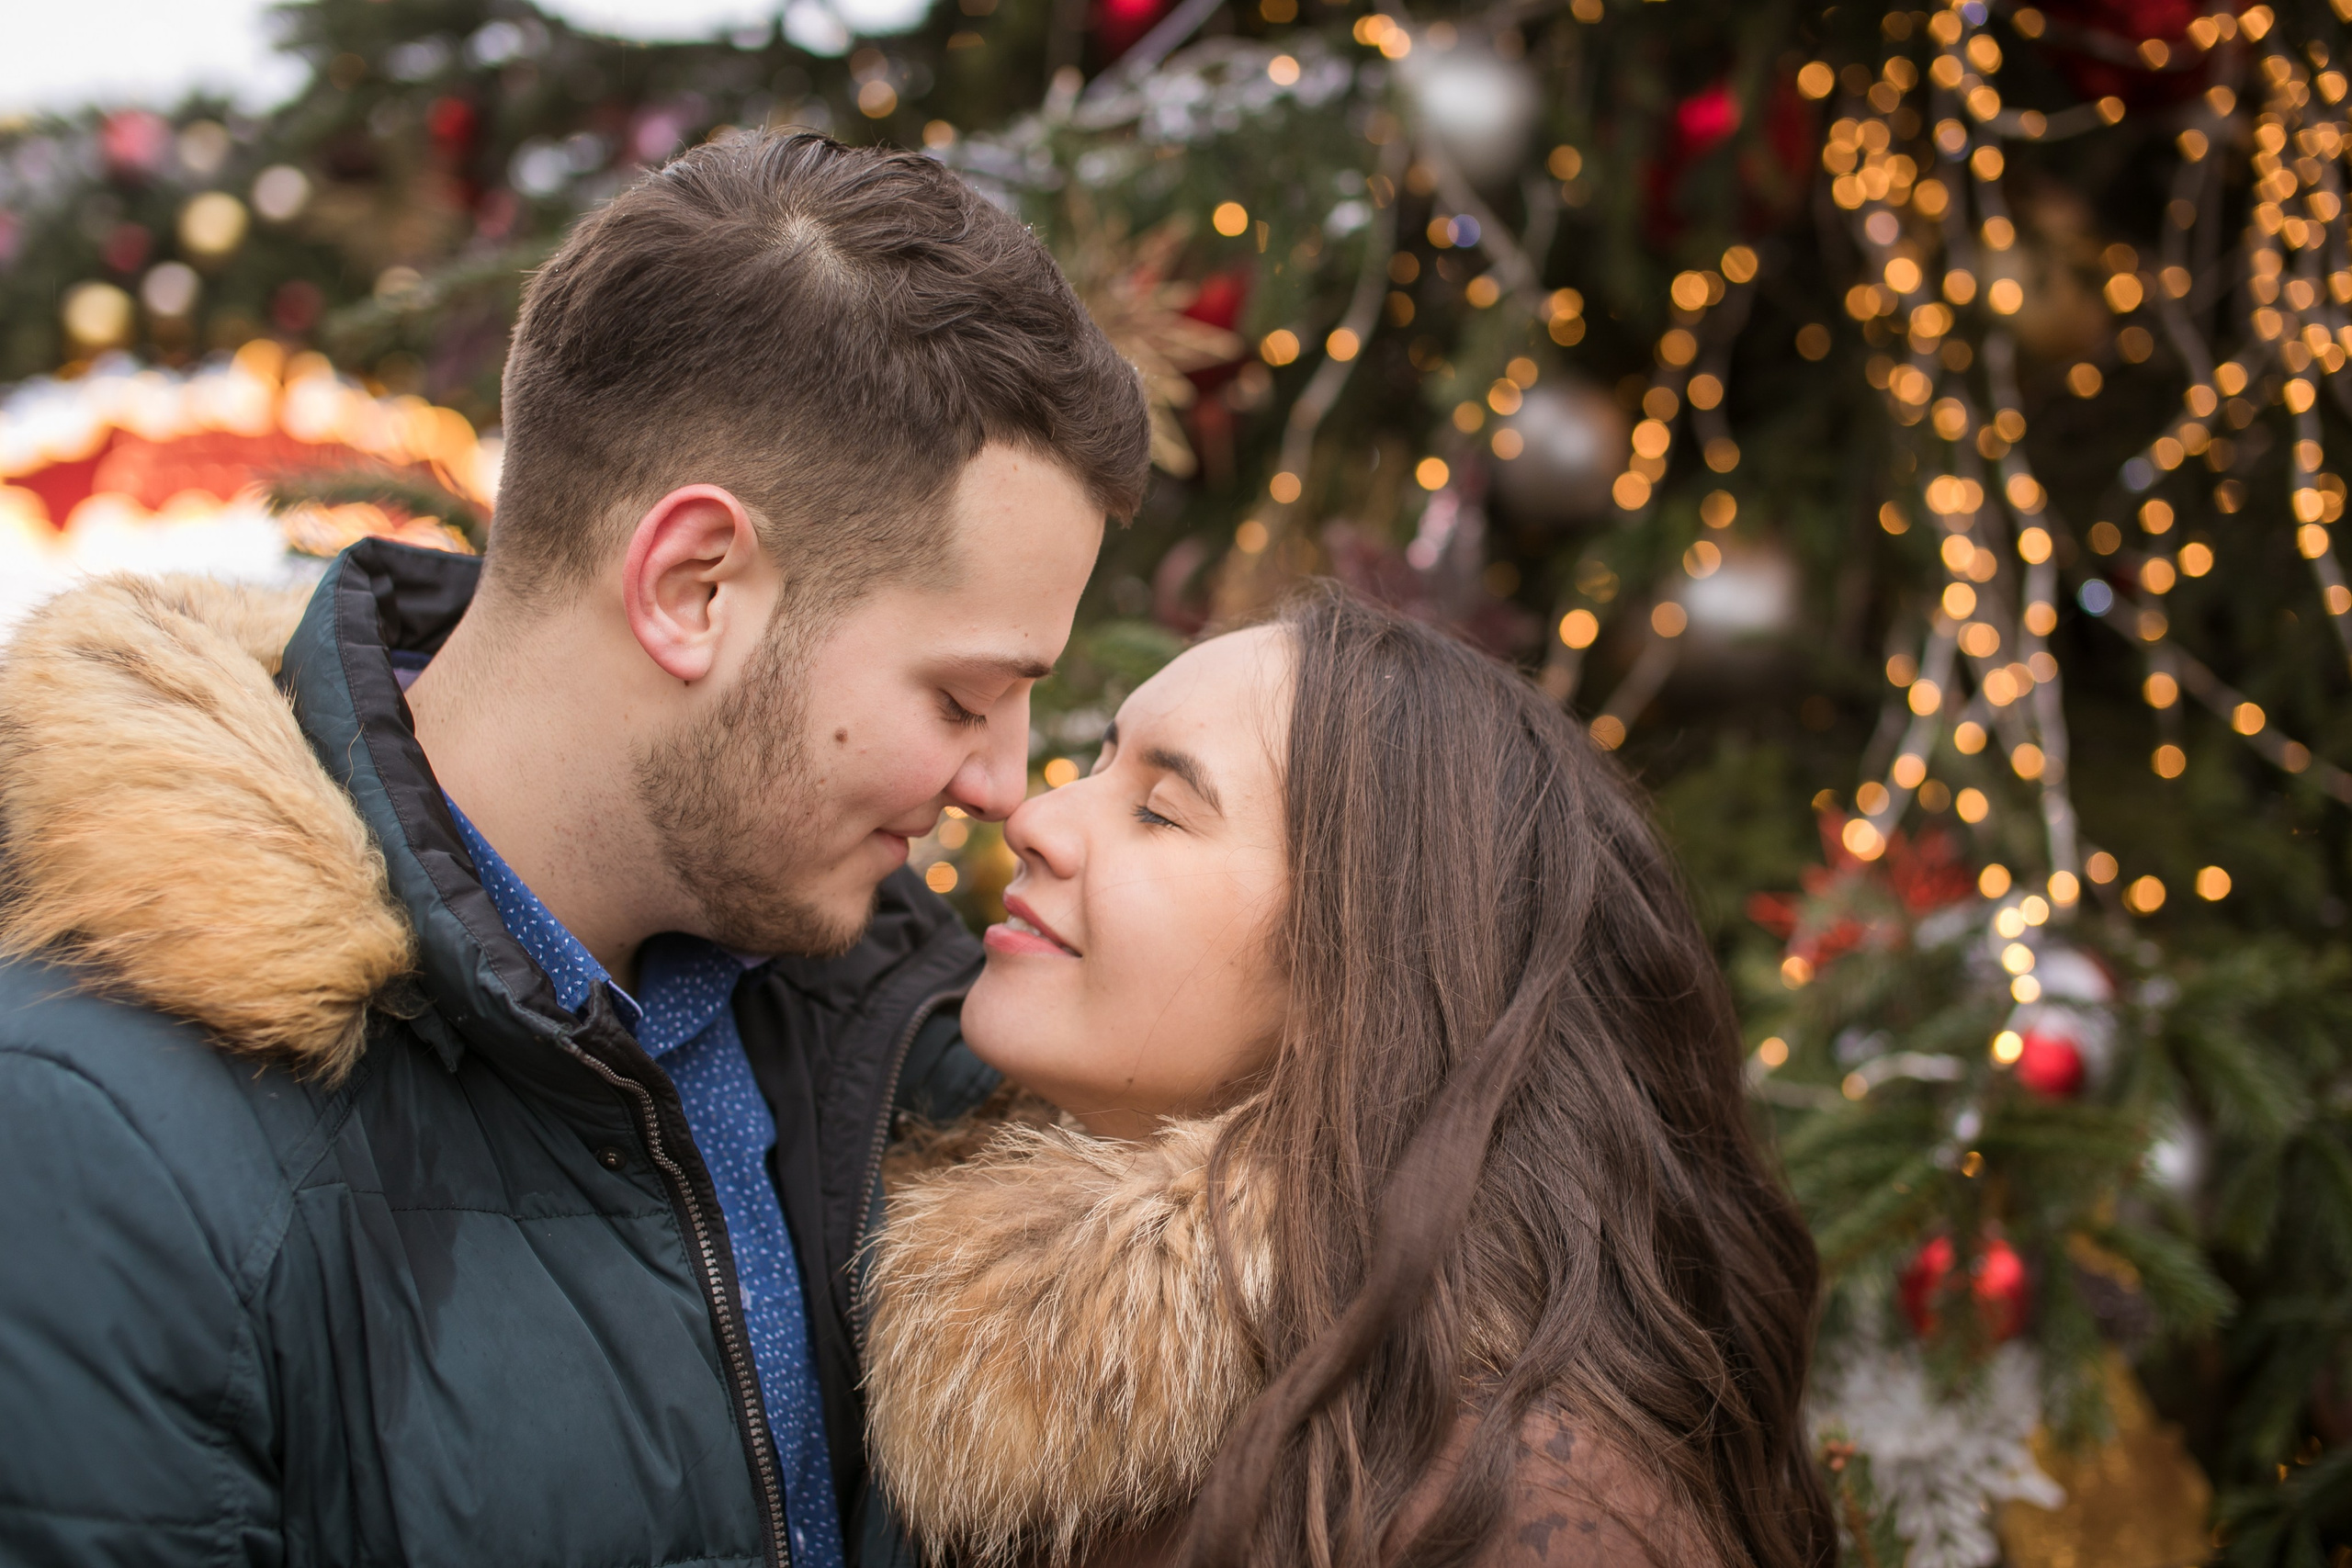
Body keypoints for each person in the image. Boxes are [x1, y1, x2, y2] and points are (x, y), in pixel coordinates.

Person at [0, 131, 1147, 1565]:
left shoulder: (896, 1017)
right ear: (694, 585)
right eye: (963, 696)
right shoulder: (100, 1145)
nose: (1002, 784)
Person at [860, 587, 1838, 1568]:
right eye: (1098, 763)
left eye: (1158, 810)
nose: (1033, 816)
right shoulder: (923, 1260)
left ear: (1360, 978)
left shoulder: (1510, 1511)